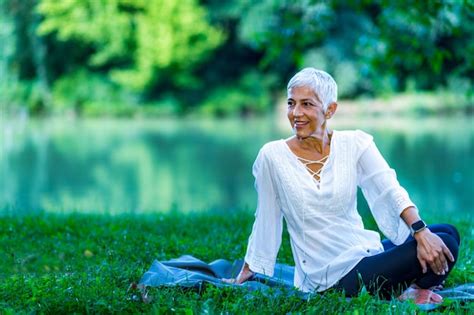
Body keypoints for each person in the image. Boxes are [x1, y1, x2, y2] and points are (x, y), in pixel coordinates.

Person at [223, 68, 460, 304]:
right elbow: (266, 216)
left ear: (330, 109)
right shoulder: (272, 156)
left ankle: (407, 287)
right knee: (445, 244)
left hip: (361, 252)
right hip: (327, 278)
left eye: (307, 104)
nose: (296, 113)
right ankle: (416, 292)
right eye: (291, 103)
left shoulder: (355, 143)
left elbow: (389, 189)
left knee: (447, 233)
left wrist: (420, 229)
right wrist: (250, 267)